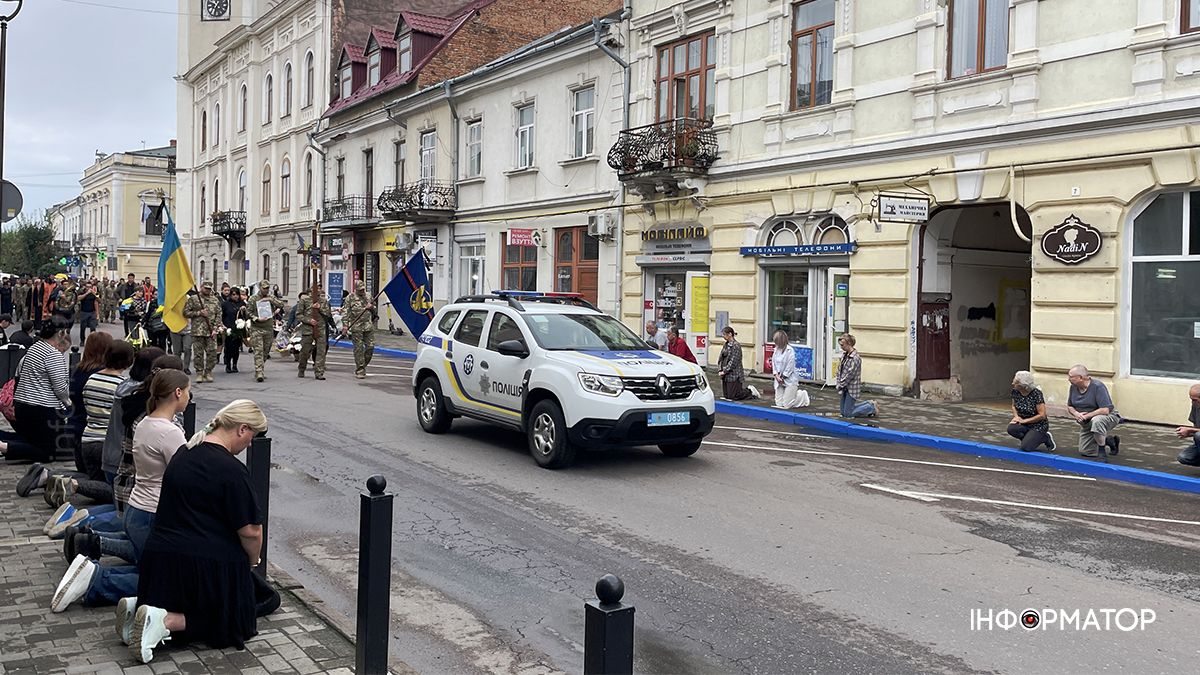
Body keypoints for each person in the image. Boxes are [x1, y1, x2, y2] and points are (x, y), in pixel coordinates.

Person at [126, 399, 268, 663]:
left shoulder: (184, 454)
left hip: (159, 559)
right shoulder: (232, 470)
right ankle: (164, 620)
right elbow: (250, 531)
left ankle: (139, 610)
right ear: (242, 429)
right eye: (252, 436)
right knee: (239, 619)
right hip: (199, 563)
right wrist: (252, 561)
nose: (250, 444)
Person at [51, 368, 191, 615]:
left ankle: (93, 551)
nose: (190, 397)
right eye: (188, 391)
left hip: (136, 505)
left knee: (147, 562)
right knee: (164, 580)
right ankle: (98, 578)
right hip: (154, 511)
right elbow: (184, 474)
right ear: (177, 393)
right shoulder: (170, 432)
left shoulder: (146, 421)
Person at [0, 318, 71, 463]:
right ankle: (4, 446)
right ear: (60, 333)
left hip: (22, 404)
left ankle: (4, 440)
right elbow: (60, 388)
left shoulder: (34, 348)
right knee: (47, 452)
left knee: (32, 441)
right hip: (42, 407)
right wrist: (68, 403)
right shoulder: (53, 354)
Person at [1066, 364, 1121, 458]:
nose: (1068, 379)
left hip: (1107, 417)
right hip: (1087, 422)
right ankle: (1109, 441)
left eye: (1071, 377)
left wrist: (1087, 416)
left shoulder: (1097, 386)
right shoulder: (1073, 387)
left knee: (1097, 421)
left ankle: (1102, 452)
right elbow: (1070, 406)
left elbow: (1105, 410)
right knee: (1086, 451)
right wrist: (1076, 414)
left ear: (1080, 377)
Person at [1007, 371, 1055, 452]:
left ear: (1023, 385)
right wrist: (1016, 417)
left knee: (1026, 448)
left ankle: (1045, 437)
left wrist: (1024, 421)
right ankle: (1030, 438)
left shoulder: (1036, 394)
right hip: (1023, 422)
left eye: (1016, 382)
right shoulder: (1015, 391)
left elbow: (1042, 415)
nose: (1012, 383)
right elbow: (1013, 406)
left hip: (1038, 425)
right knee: (1011, 429)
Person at [184, 282, 223, 382]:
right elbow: (186, 312)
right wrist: (198, 313)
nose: (207, 290)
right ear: (201, 287)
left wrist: (215, 328)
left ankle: (208, 372)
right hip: (198, 330)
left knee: (212, 353)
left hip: (211, 331)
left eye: (209, 289)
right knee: (198, 354)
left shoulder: (215, 300)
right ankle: (199, 372)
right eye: (206, 288)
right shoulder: (194, 299)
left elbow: (218, 315)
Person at [246, 280, 283, 382]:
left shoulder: (270, 297)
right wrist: (256, 318)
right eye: (264, 288)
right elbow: (248, 312)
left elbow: (281, 305)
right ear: (260, 288)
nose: (266, 290)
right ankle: (259, 372)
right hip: (257, 328)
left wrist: (271, 300)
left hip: (268, 328)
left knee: (265, 352)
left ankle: (260, 368)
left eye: (267, 288)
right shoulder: (253, 299)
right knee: (258, 350)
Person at [295, 284, 332, 379]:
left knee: (321, 351)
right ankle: (302, 368)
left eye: (319, 288)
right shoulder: (304, 300)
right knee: (305, 351)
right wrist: (308, 320)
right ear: (310, 289)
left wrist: (320, 308)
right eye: (315, 288)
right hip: (308, 328)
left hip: (320, 328)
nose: (318, 290)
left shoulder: (323, 301)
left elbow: (328, 314)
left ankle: (319, 372)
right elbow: (299, 315)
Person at [835, 333, 876, 418]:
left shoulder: (855, 358)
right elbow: (839, 370)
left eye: (842, 345)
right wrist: (838, 381)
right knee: (843, 412)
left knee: (848, 414)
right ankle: (869, 404)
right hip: (844, 387)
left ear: (849, 343)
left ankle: (871, 407)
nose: (841, 347)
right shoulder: (844, 355)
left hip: (851, 388)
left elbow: (850, 374)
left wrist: (840, 384)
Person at [341, 281, 376, 379]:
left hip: (368, 326)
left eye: (363, 289)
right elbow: (346, 312)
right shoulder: (350, 298)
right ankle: (360, 369)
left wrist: (372, 307)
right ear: (356, 289)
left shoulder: (368, 296)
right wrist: (345, 326)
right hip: (356, 327)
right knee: (359, 349)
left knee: (370, 347)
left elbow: (375, 310)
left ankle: (362, 365)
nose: (362, 291)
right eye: (360, 290)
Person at [716, 327, 758, 400]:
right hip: (726, 374)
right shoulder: (726, 345)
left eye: (724, 334)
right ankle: (747, 392)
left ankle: (750, 391)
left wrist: (724, 371)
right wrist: (720, 369)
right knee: (727, 396)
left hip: (734, 374)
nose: (723, 336)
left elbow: (734, 361)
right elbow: (721, 358)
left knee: (734, 395)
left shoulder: (736, 345)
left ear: (730, 334)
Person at [770, 330, 809, 409]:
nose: (775, 344)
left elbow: (790, 366)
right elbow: (773, 363)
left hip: (789, 379)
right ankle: (790, 395)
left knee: (787, 405)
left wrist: (783, 377)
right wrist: (776, 376)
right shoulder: (776, 350)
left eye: (777, 342)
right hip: (778, 379)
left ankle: (802, 396)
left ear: (781, 341)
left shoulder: (790, 350)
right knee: (779, 404)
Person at [221, 288, 249, 373]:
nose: (235, 296)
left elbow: (246, 316)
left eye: (237, 294)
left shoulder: (242, 303)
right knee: (229, 347)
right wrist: (222, 326)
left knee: (236, 348)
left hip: (238, 328)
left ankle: (234, 365)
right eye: (233, 294)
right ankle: (228, 364)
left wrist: (244, 310)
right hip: (228, 327)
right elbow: (222, 315)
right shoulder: (225, 304)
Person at [169, 292, 195, 375]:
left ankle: (186, 367)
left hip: (188, 329)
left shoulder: (189, 298)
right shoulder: (172, 299)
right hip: (175, 329)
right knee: (177, 351)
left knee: (187, 348)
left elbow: (192, 311)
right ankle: (177, 367)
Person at [1177, 384, 1200, 466]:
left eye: (1194, 400)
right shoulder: (1196, 406)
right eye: (1191, 399)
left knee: (1198, 435)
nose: (1192, 402)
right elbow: (1197, 428)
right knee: (1183, 457)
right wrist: (1189, 433)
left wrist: (1190, 430)